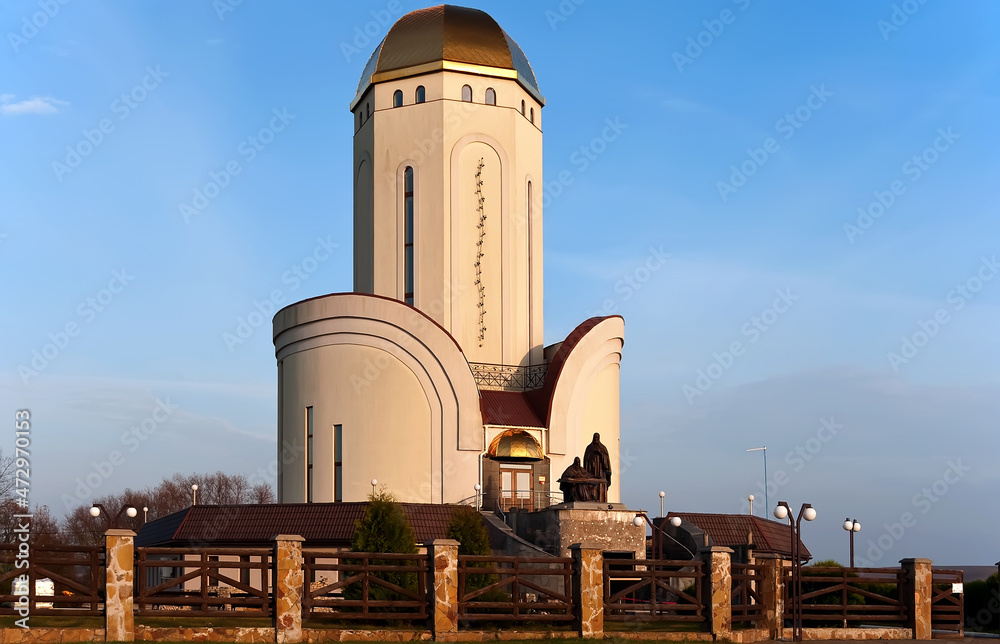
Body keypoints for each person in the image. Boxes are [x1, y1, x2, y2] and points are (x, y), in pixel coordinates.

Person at [583, 432, 612, 500]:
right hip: (591, 470)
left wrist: (600, 453)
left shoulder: (603, 448)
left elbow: (606, 460)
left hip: (601, 471)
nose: (596, 438)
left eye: (597, 437)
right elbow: (586, 459)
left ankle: (601, 498)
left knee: (601, 484)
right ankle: (591, 497)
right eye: (595, 437)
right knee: (592, 484)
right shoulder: (589, 448)